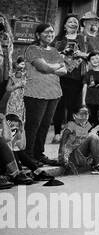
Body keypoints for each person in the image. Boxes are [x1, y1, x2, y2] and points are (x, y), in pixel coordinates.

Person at [21, 23, 66, 169]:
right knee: (33, 125)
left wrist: (51, 67)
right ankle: (28, 156)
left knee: (45, 126)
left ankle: (39, 154)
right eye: (46, 32)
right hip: (35, 93)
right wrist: (55, 66)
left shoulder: (53, 50)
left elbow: (64, 70)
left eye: (52, 32)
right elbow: (43, 67)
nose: (50, 34)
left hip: (53, 93)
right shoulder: (33, 49)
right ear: (38, 35)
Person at [51, 14, 89, 135]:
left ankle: (70, 132)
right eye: (70, 22)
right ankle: (57, 133)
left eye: (75, 22)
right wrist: (61, 53)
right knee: (59, 105)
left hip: (77, 77)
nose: (73, 23)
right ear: (64, 25)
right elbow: (50, 54)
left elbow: (93, 56)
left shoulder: (83, 39)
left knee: (73, 106)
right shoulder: (59, 39)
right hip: (61, 76)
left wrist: (81, 54)